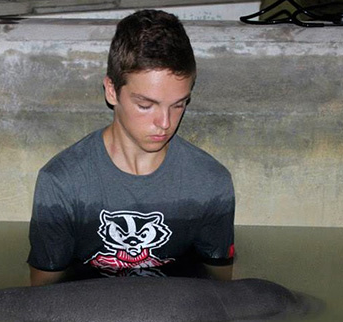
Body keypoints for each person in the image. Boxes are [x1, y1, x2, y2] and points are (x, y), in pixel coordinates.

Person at [28, 9, 235, 286]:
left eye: (178, 104)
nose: (165, 123)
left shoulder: (210, 183)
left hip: (176, 320)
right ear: (112, 91)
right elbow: (41, 298)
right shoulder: (62, 183)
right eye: (146, 105)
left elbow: (221, 294)